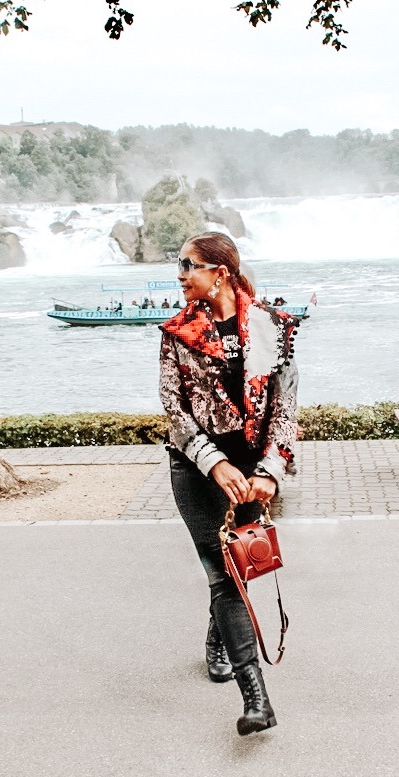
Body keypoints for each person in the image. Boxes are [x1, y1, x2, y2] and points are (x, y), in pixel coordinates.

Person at [158, 231, 300, 736]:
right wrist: (215, 463)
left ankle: (218, 639)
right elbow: (173, 412)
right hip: (197, 468)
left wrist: (269, 471)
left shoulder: (273, 328)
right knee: (223, 575)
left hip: (252, 467)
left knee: (238, 566)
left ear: (219, 272)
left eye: (187, 265)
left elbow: (285, 413)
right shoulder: (177, 332)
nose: (179, 274)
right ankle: (257, 698)